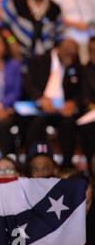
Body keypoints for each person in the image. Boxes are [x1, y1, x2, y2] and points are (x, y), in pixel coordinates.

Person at [24, 39, 83, 168]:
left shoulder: (75, 65)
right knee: (37, 122)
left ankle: (67, 164)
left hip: (62, 110)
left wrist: (73, 103)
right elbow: (28, 84)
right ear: (59, 48)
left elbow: (81, 90)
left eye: (73, 54)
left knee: (69, 122)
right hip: (40, 107)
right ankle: (34, 162)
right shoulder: (39, 60)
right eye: (67, 52)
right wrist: (40, 99)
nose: (70, 56)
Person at [48, 0, 95, 65]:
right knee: (70, 47)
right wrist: (74, 24)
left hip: (91, 37)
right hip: (67, 37)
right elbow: (51, 19)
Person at [80, 37, 95, 166]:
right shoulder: (84, 70)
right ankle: (91, 168)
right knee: (87, 128)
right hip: (90, 112)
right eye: (92, 51)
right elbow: (84, 97)